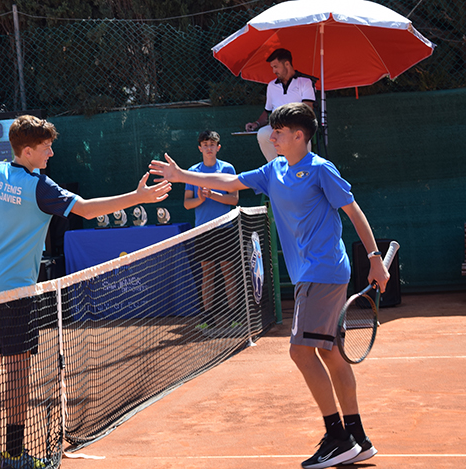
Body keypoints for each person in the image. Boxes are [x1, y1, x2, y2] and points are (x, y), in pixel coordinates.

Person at [150, 102, 389, 469]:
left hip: (322, 271)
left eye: (278, 131)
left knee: (300, 351)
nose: (271, 136)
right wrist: (184, 176)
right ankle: (357, 436)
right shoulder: (273, 170)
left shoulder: (320, 170)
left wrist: (374, 259)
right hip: (311, 273)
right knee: (330, 353)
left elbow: (353, 211)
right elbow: (230, 182)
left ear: (299, 136)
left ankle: (338, 437)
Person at [0, 114, 171, 469]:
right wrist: (136, 197)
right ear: (27, 151)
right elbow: (87, 210)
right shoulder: (39, 187)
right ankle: (14, 453)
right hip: (15, 291)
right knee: (17, 370)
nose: (51, 154)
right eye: (45, 148)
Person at [183, 131, 240, 330]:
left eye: (212, 144)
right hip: (204, 230)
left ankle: (234, 317)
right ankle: (208, 318)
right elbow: (187, 204)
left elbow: (234, 200)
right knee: (207, 272)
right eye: (205, 144)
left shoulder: (228, 169)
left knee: (228, 271)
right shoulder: (192, 171)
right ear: (200, 148)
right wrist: (200, 198)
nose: (209, 148)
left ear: (218, 147)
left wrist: (213, 194)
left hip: (224, 228)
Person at [245, 48, 316, 162]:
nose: (274, 71)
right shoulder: (271, 86)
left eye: (276, 67)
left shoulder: (305, 82)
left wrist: (290, 123)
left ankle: (303, 170)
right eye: (272, 67)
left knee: (301, 140)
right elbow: (267, 111)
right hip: (276, 128)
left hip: (296, 128)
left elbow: (307, 109)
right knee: (263, 133)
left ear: (287, 64)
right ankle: (275, 169)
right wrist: (256, 123)